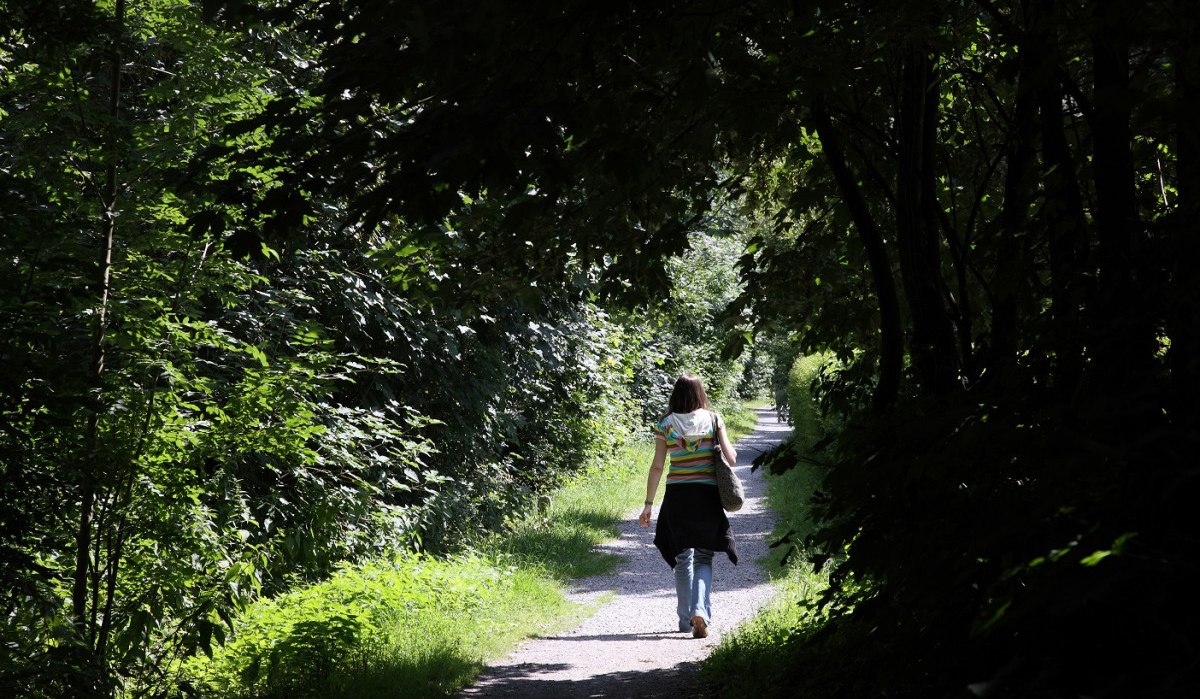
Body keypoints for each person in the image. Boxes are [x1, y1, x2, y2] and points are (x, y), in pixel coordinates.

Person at [638, 373, 738, 639]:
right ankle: (700, 612)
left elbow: (658, 466)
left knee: (683, 559)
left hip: (677, 497)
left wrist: (648, 504)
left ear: (676, 395)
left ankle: (685, 620)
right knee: (704, 556)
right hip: (706, 496)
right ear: (700, 394)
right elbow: (732, 457)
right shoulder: (714, 419)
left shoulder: (666, 424)